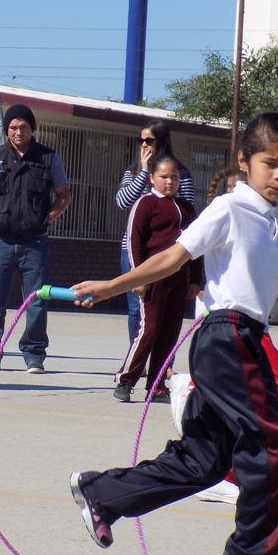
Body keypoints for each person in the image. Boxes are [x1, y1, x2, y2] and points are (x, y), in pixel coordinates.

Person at [68, 113, 278, 555]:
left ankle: (103, 493)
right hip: (227, 339)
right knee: (275, 450)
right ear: (245, 162)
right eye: (270, 164)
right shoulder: (228, 207)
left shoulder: (272, 216)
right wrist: (112, 287)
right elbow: (174, 257)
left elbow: (264, 274)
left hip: (240, 339)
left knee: (203, 462)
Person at [0, 104, 71, 373]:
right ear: (7, 130)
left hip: (34, 243)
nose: (18, 131)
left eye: (23, 127)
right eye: (13, 127)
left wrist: (48, 217)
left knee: (37, 301)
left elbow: (64, 195)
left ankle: (34, 355)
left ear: (32, 129)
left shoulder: (49, 158)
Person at [113, 154, 203, 404]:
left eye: (174, 177)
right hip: (152, 280)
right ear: (152, 178)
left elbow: (196, 246)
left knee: (170, 333)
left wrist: (196, 279)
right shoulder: (145, 204)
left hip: (179, 280)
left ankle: (157, 384)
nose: (170, 181)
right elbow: (134, 242)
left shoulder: (187, 208)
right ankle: (126, 379)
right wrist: (137, 278)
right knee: (149, 330)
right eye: (164, 176)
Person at [115, 120, 196, 342]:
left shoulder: (180, 173)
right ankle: (137, 357)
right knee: (136, 308)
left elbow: (188, 215)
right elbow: (122, 202)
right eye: (140, 140)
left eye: (149, 140)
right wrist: (143, 172)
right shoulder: (132, 172)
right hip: (134, 249)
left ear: (161, 142)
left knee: (166, 309)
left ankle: (163, 363)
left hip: (168, 253)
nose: (143, 145)